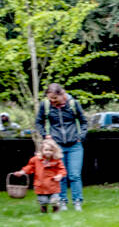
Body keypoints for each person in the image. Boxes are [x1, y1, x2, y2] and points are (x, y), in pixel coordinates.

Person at [35, 83, 88, 211]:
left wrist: (81, 136)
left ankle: (77, 201)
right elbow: (39, 121)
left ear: (62, 94)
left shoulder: (73, 104)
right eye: (50, 98)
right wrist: (45, 135)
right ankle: (62, 201)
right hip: (56, 146)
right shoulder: (46, 105)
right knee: (60, 175)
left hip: (75, 145)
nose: (52, 101)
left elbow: (83, 121)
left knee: (74, 175)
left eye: (54, 98)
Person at [13, 139, 66, 213]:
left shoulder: (56, 160)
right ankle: (44, 210)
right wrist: (22, 172)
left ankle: (56, 209)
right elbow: (29, 167)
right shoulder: (36, 160)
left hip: (53, 185)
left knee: (55, 200)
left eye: (51, 150)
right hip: (41, 185)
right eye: (46, 150)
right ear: (41, 150)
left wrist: (60, 175)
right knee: (43, 201)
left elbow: (62, 169)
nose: (48, 152)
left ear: (54, 151)